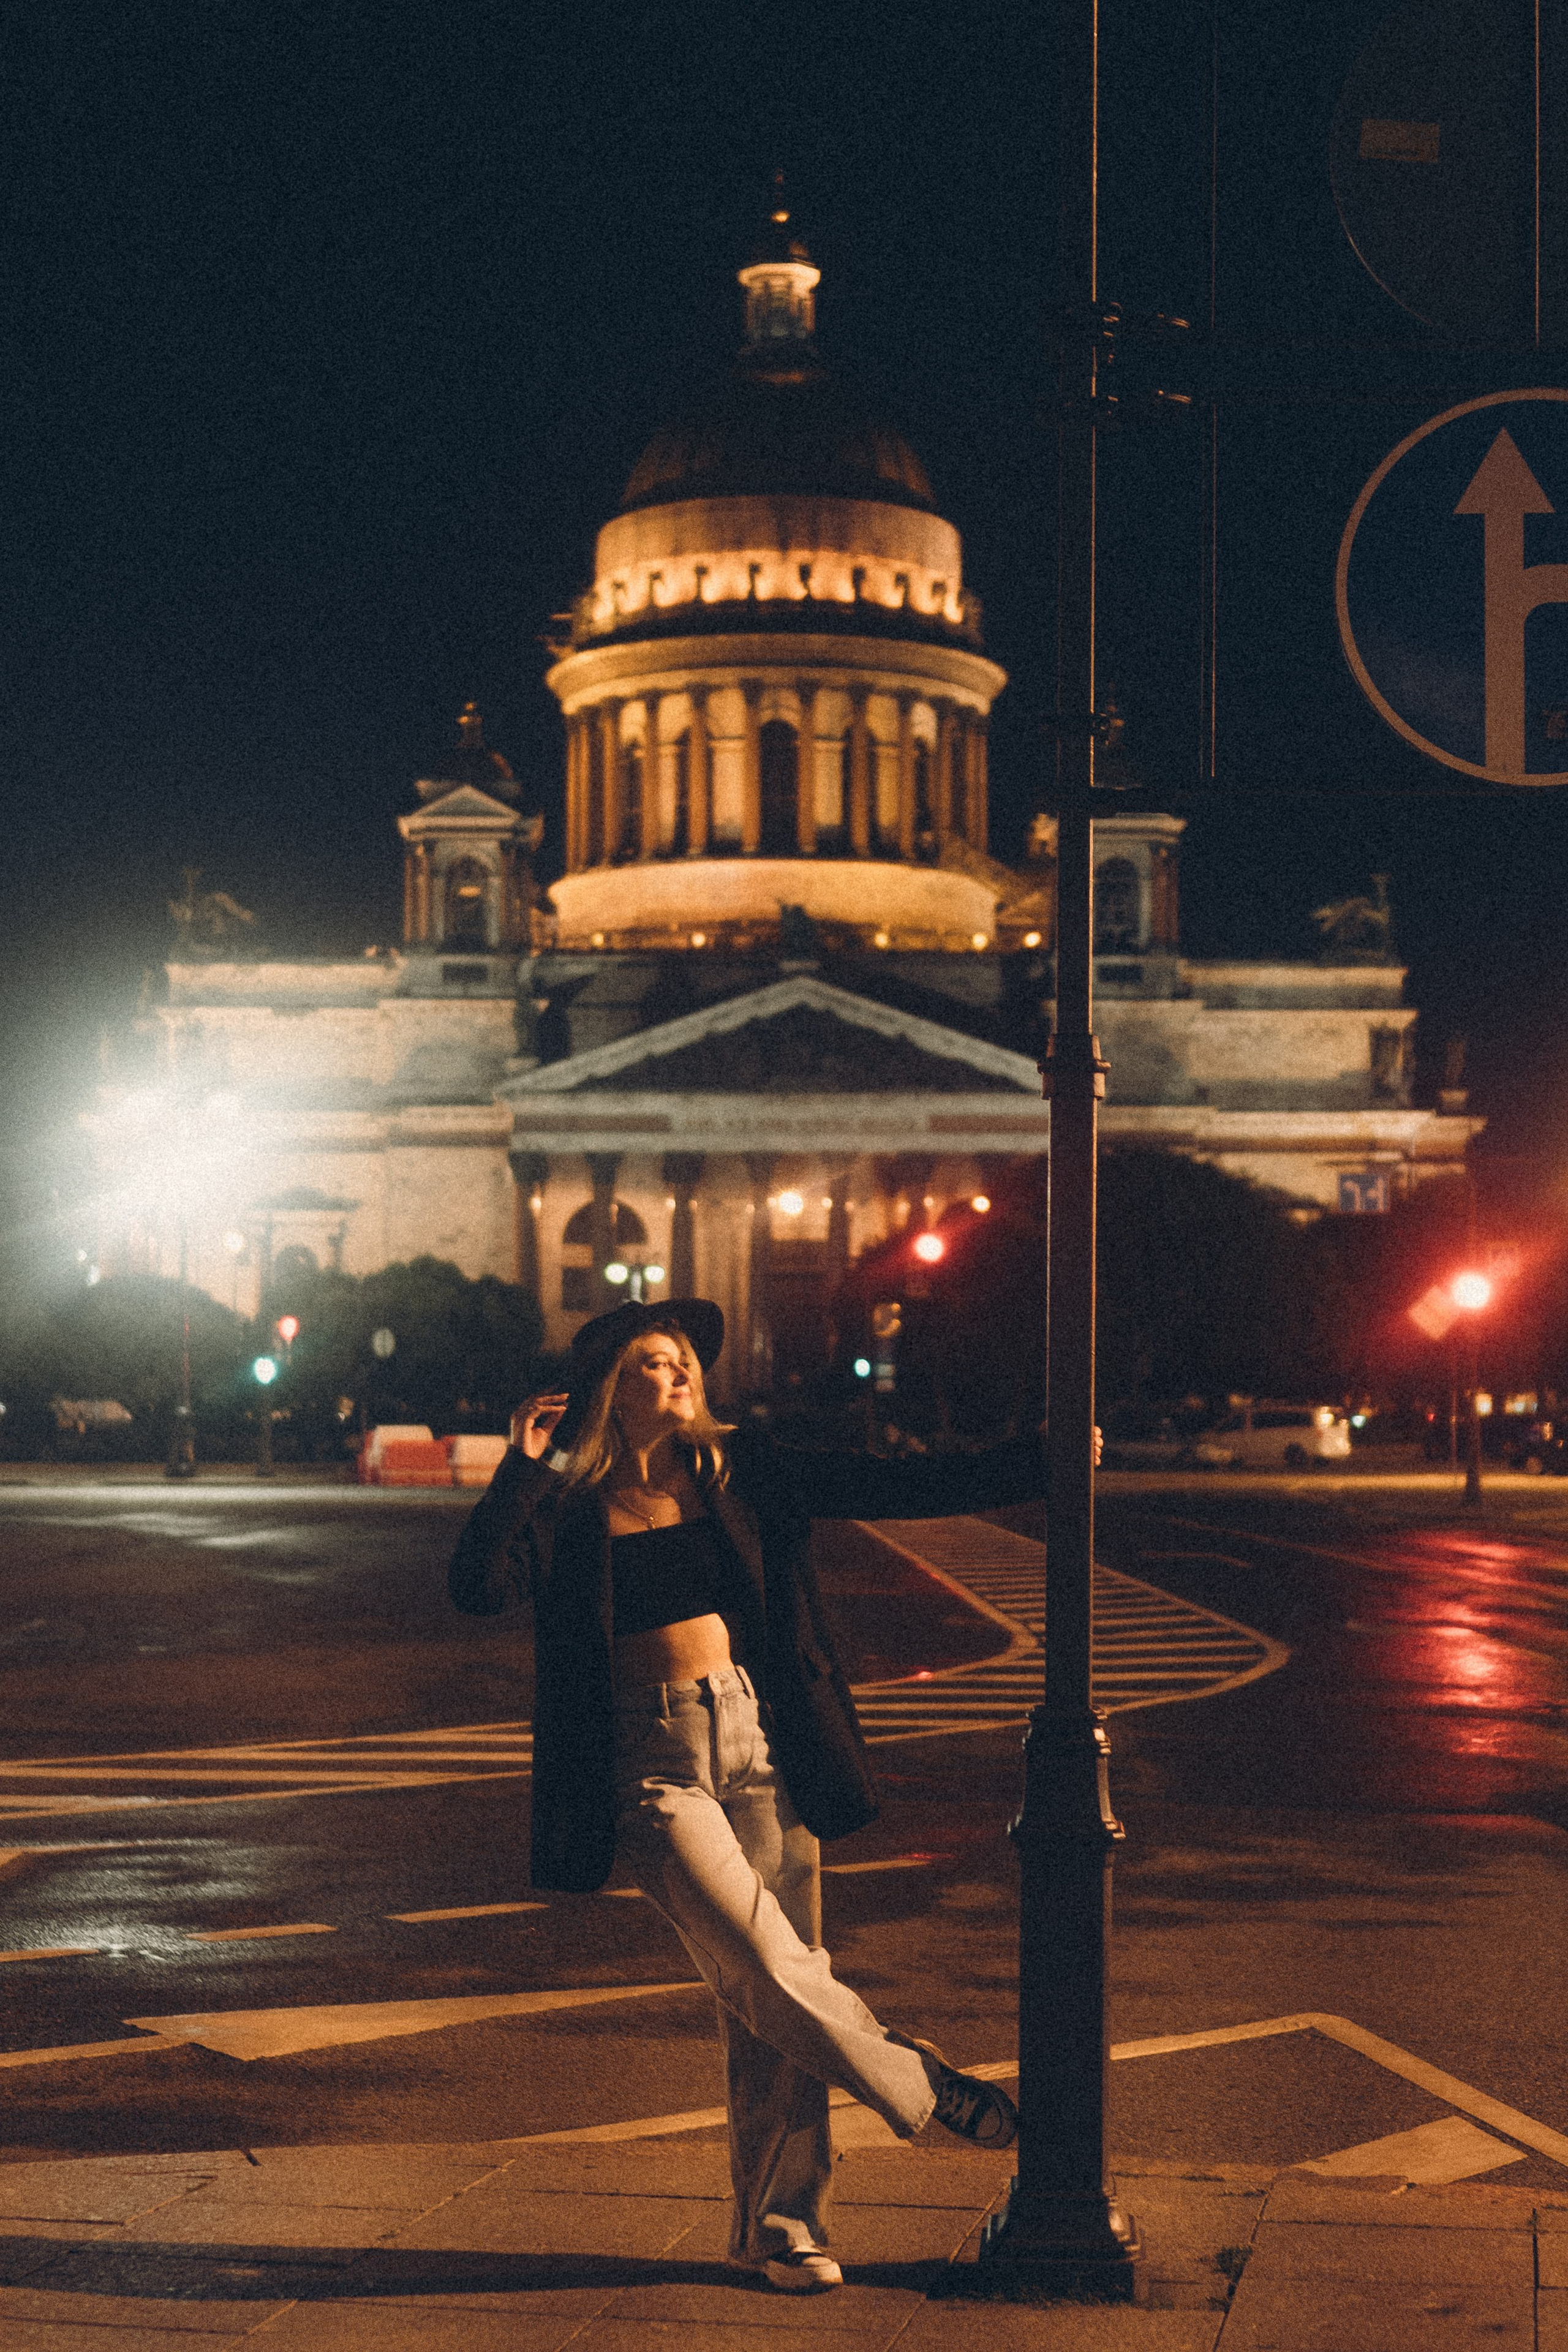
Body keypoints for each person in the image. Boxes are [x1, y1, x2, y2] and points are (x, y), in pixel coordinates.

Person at [448, 1297, 1061, 2295]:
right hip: (649, 1761)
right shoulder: (569, 1500)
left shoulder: (744, 1468)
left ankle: (783, 2229)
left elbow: (896, 1487)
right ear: (611, 1386)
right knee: (772, 1968)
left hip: (760, 1739)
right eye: (652, 1361)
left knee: (770, 2001)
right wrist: (528, 1465)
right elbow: (477, 1586)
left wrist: (1038, 1460)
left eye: (683, 1358)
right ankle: (924, 2086)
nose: (679, 1372)